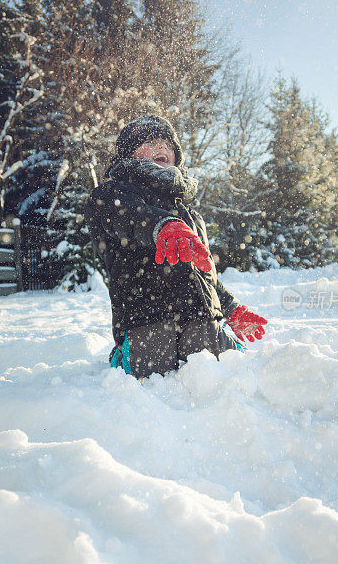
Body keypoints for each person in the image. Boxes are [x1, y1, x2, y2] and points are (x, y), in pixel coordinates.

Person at [84, 115, 268, 379]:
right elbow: (132, 216)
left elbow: (202, 274)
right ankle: (123, 355)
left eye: (167, 144)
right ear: (129, 154)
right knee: (150, 378)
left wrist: (231, 308)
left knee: (222, 371)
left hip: (199, 317)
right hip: (146, 318)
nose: (161, 147)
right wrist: (162, 225)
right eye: (149, 141)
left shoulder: (191, 215)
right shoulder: (111, 196)